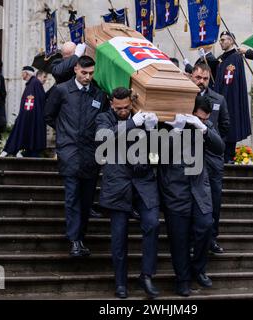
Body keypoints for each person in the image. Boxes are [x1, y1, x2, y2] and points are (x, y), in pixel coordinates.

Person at [96, 87, 160, 299]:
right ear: (112, 103)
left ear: (131, 103)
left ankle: (146, 275)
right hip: (118, 184)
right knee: (119, 236)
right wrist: (132, 123)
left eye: (126, 108)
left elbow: (156, 149)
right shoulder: (104, 117)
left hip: (143, 181)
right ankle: (120, 282)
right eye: (119, 108)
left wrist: (151, 129)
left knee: (152, 223)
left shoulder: (141, 115)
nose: (123, 111)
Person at [159, 96, 224, 297]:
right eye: (199, 118)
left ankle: (199, 268)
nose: (203, 121)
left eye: (205, 119)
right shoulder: (169, 123)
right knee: (179, 238)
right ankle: (183, 279)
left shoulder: (203, 124)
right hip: (175, 187)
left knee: (205, 226)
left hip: (198, 187)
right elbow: (157, 153)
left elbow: (219, 147)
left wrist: (204, 129)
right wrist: (177, 130)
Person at [45, 56, 109, 258]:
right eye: (84, 73)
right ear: (75, 69)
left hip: (91, 154)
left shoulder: (99, 94)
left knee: (87, 200)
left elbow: (104, 120)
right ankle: (74, 240)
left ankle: (80, 237)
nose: (88, 77)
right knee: (72, 196)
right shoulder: (62, 90)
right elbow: (48, 115)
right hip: (70, 151)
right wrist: (64, 134)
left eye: (91, 73)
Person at [191, 63, 230, 255]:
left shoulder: (219, 99)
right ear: (192, 76)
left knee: (214, 200)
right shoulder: (186, 96)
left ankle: (212, 239)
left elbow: (225, 126)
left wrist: (216, 146)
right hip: (190, 156)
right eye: (198, 78)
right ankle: (193, 239)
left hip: (212, 158)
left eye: (205, 78)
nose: (201, 82)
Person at [214, 32, 252, 163]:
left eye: (224, 40)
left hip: (231, 97)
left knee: (231, 124)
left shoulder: (236, 57)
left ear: (231, 41)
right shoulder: (220, 58)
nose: (221, 42)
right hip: (219, 97)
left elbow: (234, 80)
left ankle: (229, 155)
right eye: (220, 40)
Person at [0, 66, 46, 158]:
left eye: (22, 73)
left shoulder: (35, 83)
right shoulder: (31, 83)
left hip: (31, 116)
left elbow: (37, 101)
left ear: (26, 73)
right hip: (29, 115)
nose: (21, 75)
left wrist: (25, 115)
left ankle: (12, 151)